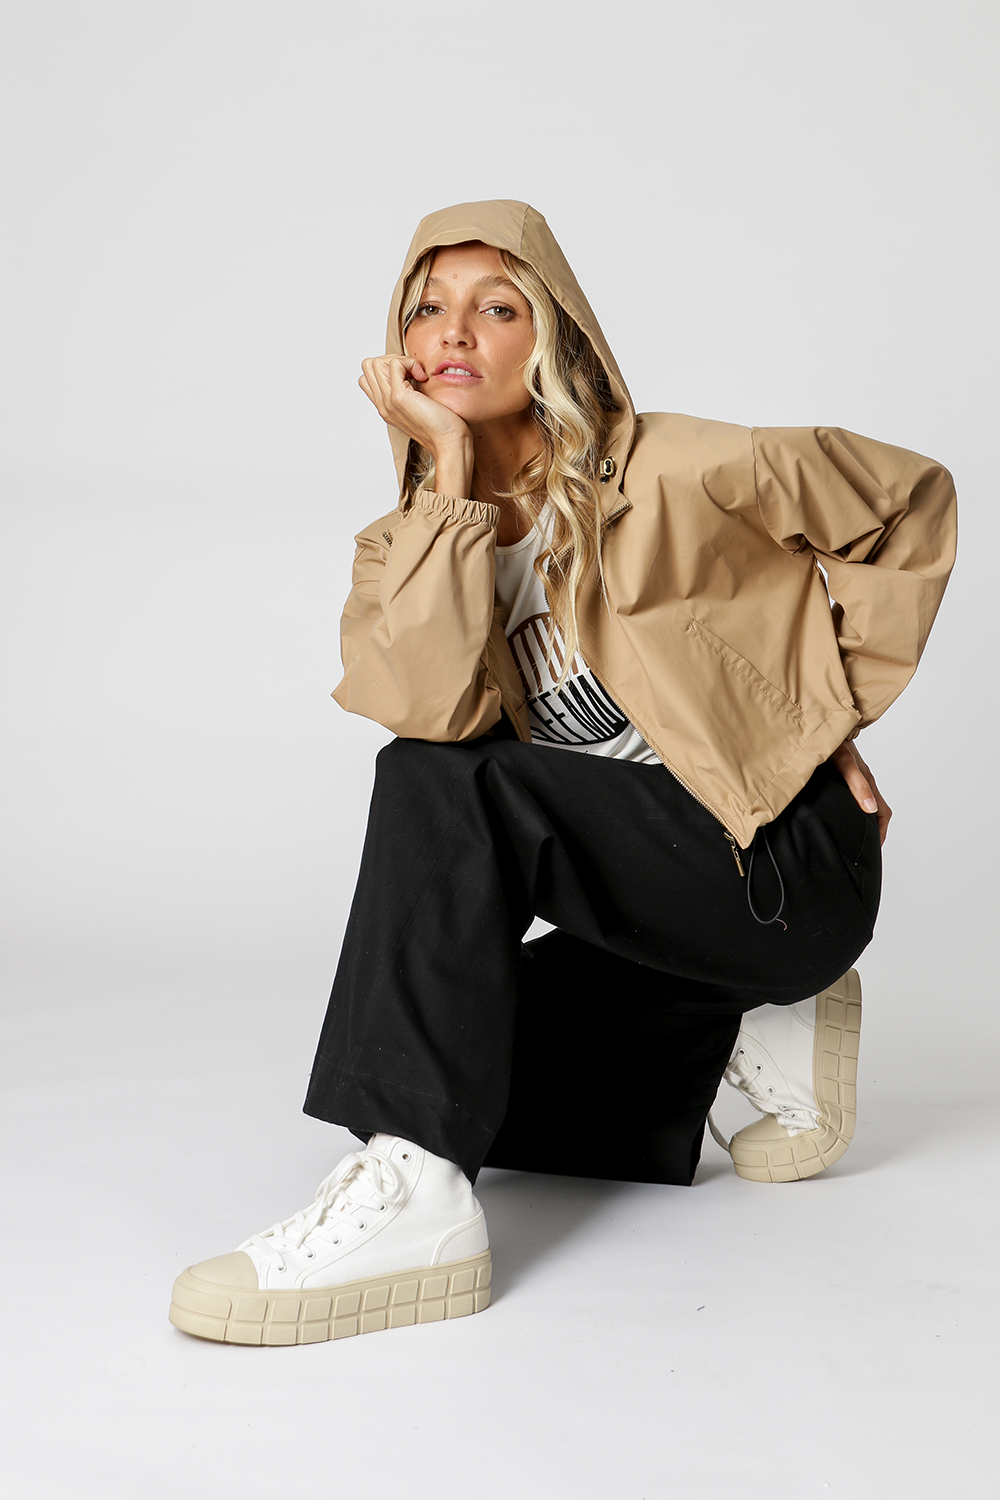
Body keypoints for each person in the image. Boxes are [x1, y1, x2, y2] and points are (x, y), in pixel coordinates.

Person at [169, 201, 956, 1347]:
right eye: (426, 310)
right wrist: (447, 479)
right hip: (657, 913)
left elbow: (907, 499)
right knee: (462, 1065)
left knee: (437, 805)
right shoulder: (402, 549)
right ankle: (737, 1019)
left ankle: (421, 1204)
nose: (454, 331)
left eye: (497, 308)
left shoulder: (676, 466)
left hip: (784, 863)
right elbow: (436, 716)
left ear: (555, 338)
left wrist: (815, 714)